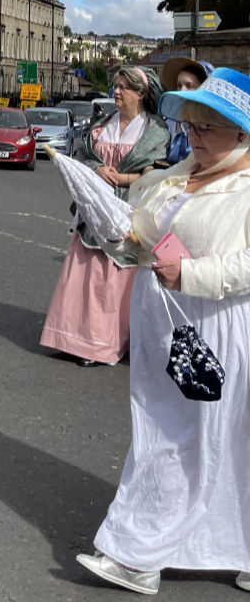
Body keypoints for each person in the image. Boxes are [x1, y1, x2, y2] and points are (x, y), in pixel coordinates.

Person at [76, 67, 250, 595]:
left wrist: (193, 274)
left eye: (207, 128)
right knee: (166, 434)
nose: (193, 135)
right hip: (162, 323)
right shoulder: (174, 175)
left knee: (224, 437)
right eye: (190, 124)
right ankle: (144, 551)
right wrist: (119, 234)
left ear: (242, 134)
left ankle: (148, 553)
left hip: (215, 323)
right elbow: (142, 237)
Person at [40, 66, 169, 367]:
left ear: (142, 93)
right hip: (92, 211)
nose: (118, 91)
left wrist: (123, 180)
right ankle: (70, 337)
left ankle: (100, 344)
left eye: (125, 87)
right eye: (116, 85)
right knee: (82, 272)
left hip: (125, 212)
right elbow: (82, 155)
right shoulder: (101, 124)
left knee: (111, 280)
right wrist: (97, 170)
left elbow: (160, 173)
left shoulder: (155, 130)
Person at [158, 56, 213, 166]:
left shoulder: (213, 124)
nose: (182, 90)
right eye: (179, 86)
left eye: (189, 86)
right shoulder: (170, 122)